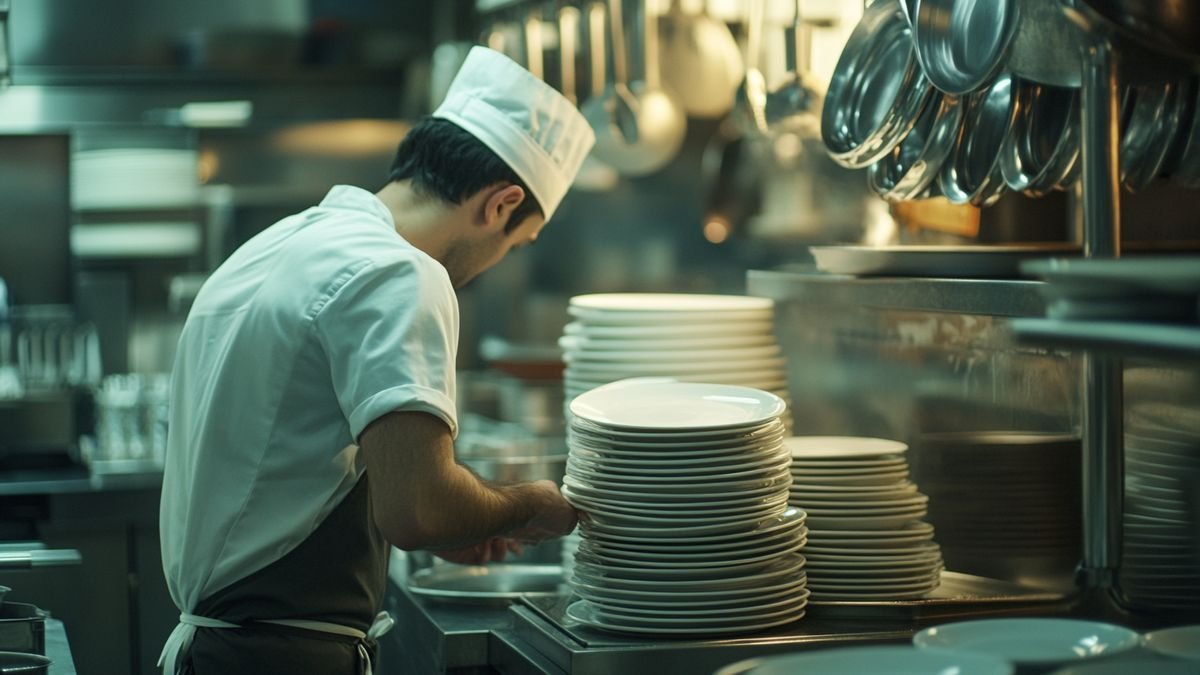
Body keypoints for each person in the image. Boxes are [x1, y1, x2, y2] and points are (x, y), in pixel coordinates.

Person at [157, 46, 597, 675]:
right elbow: (419, 509)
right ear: (501, 203)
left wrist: (462, 520)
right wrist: (531, 503)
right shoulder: (401, 274)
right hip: (282, 660)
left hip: (219, 648)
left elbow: (286, 470)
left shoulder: (278, 245)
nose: (498, 260)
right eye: (514, 241)